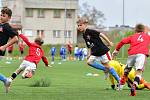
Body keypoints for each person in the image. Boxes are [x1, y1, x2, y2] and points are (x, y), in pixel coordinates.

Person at [77, 18, 120, 85]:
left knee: (108, 66)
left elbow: (101, 34)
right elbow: (88, 45)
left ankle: (119, 81)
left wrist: (109, 42)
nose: (79, 27)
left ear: (85, 25)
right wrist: (89, 54)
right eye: (78, 25)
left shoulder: (90, 31)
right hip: (95, 53)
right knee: (89, 62)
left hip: (102, 51)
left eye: (80, 25)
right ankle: (104, 69)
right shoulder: (84, 35)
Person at [112, 24, 150, 96]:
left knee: (126, 70)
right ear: (144, 30)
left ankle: (120, 85)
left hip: (132, 54)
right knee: (139, 72)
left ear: (135, 30)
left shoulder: (132, 37)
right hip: (141, 54)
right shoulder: (147, 36)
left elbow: (122, 41)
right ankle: (134, 86)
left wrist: (116, 50)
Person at [0, 7, 18, 92]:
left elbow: (15, 38)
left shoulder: (7, 27)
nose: (1, 17)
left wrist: (4, 46)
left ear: (9, 18)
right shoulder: (1, 25)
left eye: (3, 15)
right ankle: (6, 81)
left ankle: (5, 80)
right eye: (1, 15)